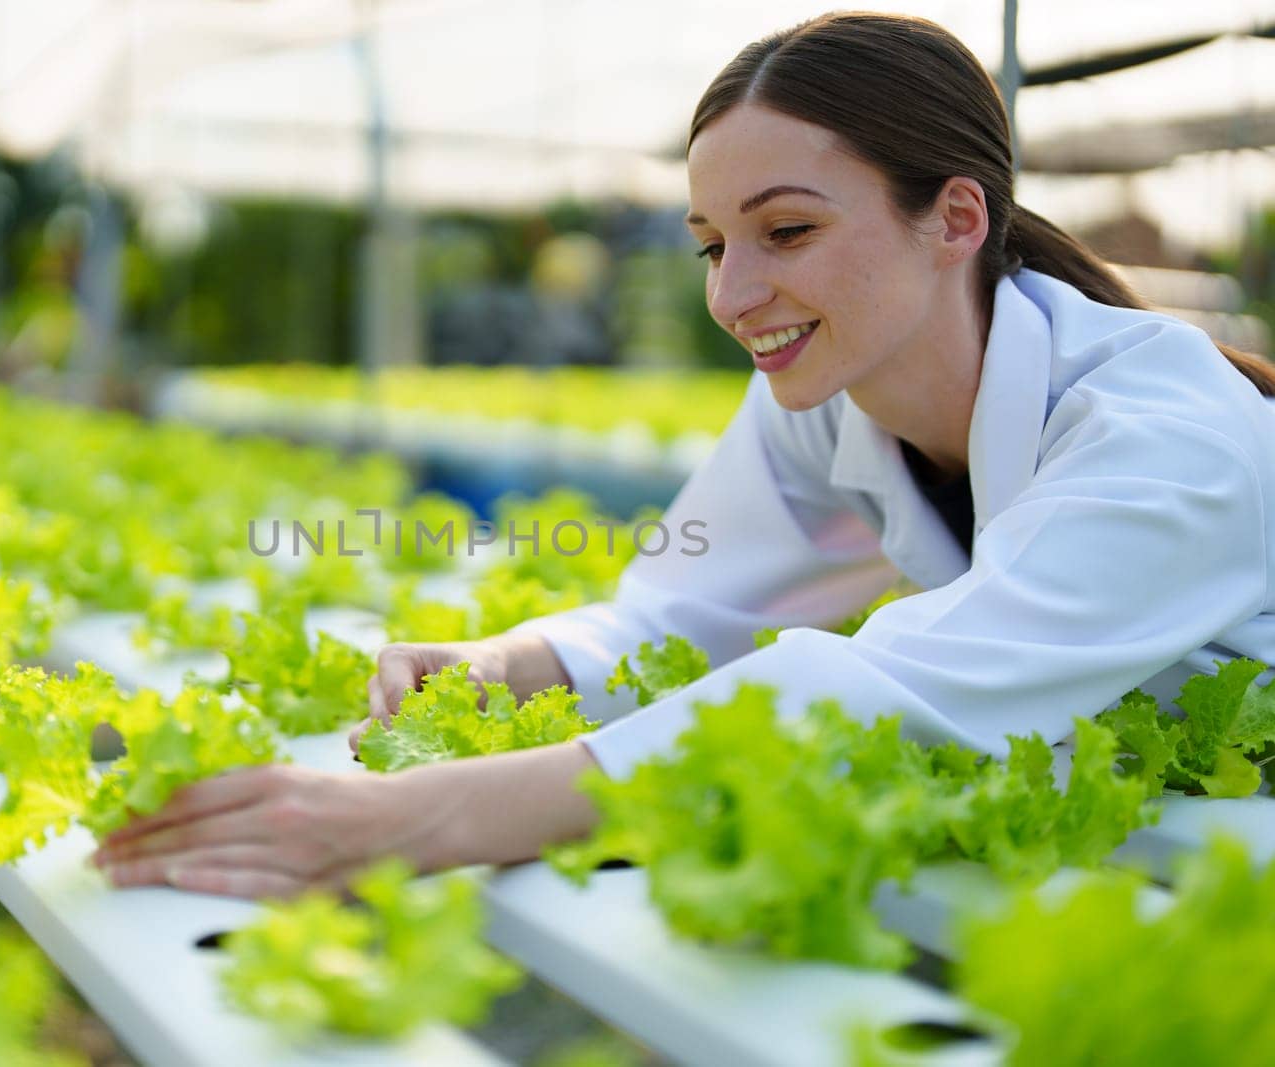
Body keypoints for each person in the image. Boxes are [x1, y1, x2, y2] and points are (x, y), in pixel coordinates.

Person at [93, 12, 1275, 899]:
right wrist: (507, 663)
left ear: (955, 219)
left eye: (788, 231)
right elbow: (676, 614)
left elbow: (880, 689)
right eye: (711, 244)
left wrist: (403, 817)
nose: (733, 293)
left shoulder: (1161, 434)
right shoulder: (829, 393)